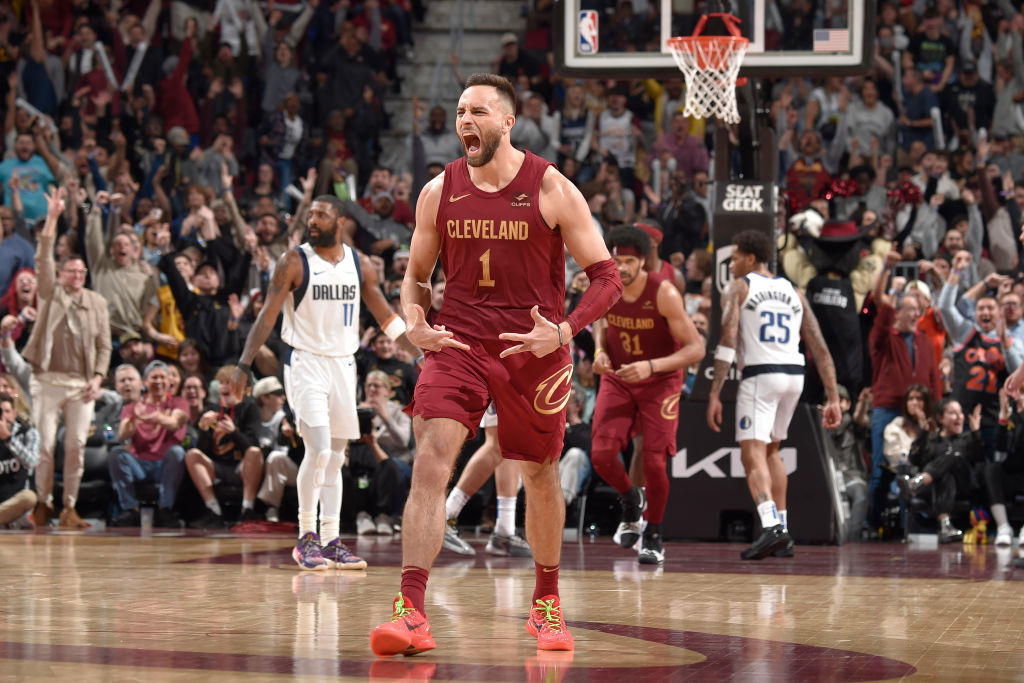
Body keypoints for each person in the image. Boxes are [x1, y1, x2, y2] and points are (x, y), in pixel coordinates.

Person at [370, 73, 623, 657]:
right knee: (431, 461)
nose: (465, 120)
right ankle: (411, 612)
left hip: (533, 349)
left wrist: (563, 330)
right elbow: (416, 276)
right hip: (457, 344)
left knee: (538, 473)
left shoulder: (553, 188)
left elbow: (607, 278)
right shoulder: (438, 191)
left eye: (478, 111)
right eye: (460, 110)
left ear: (508, 122)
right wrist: (413, 319)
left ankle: (547, 603)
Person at [231, 194, 416, 571]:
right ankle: (305, 537)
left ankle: (331, 540)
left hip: (343, 366)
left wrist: (420, 354)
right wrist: (243, 364)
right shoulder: (293, 261)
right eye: (310, 214)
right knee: (316, 449)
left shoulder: (359, 264)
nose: (312, 220)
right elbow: (267, 316)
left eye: (321, 214)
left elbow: (385, 314)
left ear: (341, 220)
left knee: (334, 457)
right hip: (305, 363)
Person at [707, 230, 841, 560]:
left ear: (751, 259)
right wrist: (834, 396)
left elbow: (727, 340)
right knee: (772, 450)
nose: (732, 263)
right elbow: (820, 347)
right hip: (794, 376)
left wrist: (714, 393)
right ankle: (783, 528)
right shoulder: (793, 290)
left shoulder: (739, 287)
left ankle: (770, 527)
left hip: (761, 375)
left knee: (751, 452)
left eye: (736, 257)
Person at [589, 225, 705, 564]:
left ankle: (654, 533)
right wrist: (598, 352)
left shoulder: (664, 292)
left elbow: (697, 349)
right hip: (619, 377)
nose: (621, 267)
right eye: (617, 260)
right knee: (601, 454)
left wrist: (652, 367)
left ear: (643, 263)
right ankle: (630, 499)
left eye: (628, 261)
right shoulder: (606, 286)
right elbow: (600, 322)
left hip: (660, 380)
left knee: (654, 462)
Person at [23, 188, 112, 529]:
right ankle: (43, 503)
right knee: (45, 445)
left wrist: (99, 377)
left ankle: (69, 508)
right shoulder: (50, 294)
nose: (76, 276)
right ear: (61, 275)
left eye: (81, 272)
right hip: (47, 379)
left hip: (81, 384)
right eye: (70, 271)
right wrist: (54, 219)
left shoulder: (97, 303)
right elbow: (43, 258)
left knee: (75, 445)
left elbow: (105, 346)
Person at [442, 403, 531, 558]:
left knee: (510, 443)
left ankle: (505, 530)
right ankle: (445, 516)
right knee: (498, 442)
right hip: (508, 379)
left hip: (515, 380)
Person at [108, 361, 188, 527]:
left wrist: (155, 417)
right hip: (139, 465)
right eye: (154, 377)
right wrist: (133, 418)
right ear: (145, 382)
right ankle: (130, 510)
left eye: (162, 377)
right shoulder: (133, 406)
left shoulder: (179, 403)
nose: (158, 381)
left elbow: (175, 423)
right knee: (116, 453)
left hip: (164, 465)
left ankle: (165, 508)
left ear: (169, 381)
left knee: (177, 452)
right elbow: (123, 434)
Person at [897, 399, 984, 543]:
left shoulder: (968, 438)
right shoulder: (934, 440)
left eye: (960, 413)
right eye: (952, 413)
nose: (959, 417)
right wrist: (923, 433)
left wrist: (976, 433)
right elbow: (916, 460)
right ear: (940, 418)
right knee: (945, 476)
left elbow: (981, 458)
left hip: (965, 485)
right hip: (938, 487)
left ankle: (916, 482)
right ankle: (945, 525)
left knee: (954, 457)